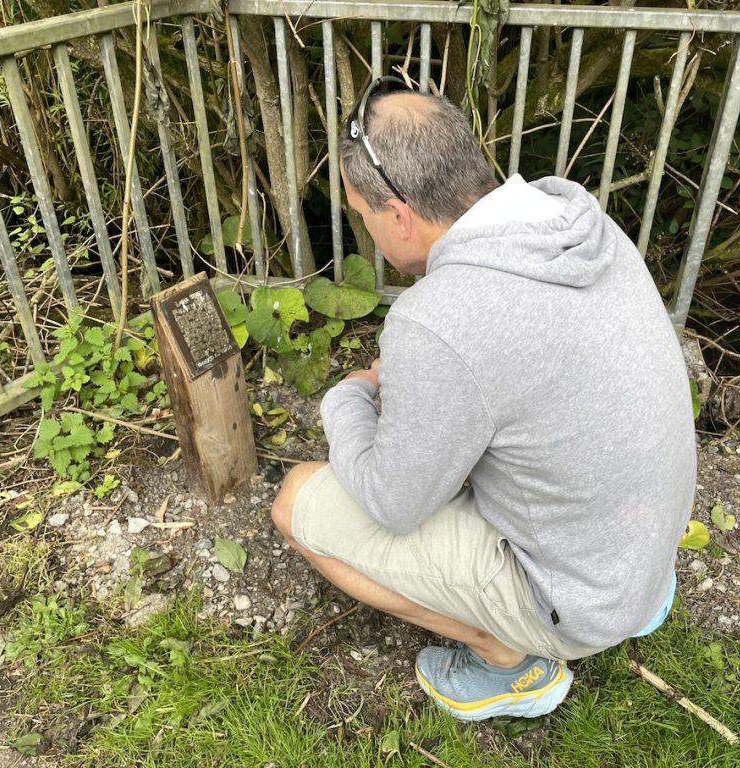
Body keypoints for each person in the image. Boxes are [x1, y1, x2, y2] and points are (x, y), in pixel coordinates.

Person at [271, 77, 696, 721]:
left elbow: (393, 502)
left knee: (296, 498)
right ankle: (620, 599)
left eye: (362, 217)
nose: (368, 231)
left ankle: (508, 657)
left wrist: (349, 395)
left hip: (579, 599)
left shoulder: (441, 318)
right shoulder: (577, 224)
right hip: (639, 557)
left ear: (398, 216)